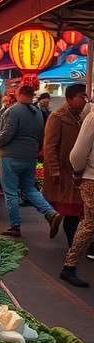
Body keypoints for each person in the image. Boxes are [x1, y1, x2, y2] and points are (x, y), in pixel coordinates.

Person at [0, 83, 62, 239]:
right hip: (30, 157)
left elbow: (7, 133)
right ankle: (50, 213)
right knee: (29, 188)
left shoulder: (13, 111)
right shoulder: (37, 112)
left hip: (11, 156)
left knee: (10, 192)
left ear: (19, 93)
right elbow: (41, 135)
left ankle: (15, 225)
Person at [42, 83, 88, 249]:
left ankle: (56, 218)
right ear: (69, 99)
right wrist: (54, 170)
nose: (85, 100)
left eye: (86, 97)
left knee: (74, 210)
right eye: (81, 97)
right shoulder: (57, 117)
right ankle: (72, 247)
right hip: (64, 171)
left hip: (78, 171)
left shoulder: (82, 116)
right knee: (72, 211)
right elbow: (50, 146)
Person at [59, 103, 94, 287]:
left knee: (88, 223)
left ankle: (70, 266)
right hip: (92, 178)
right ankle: (69, 266)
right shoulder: (92, 117)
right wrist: (78, 170)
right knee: (89, 223)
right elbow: (78, 153)